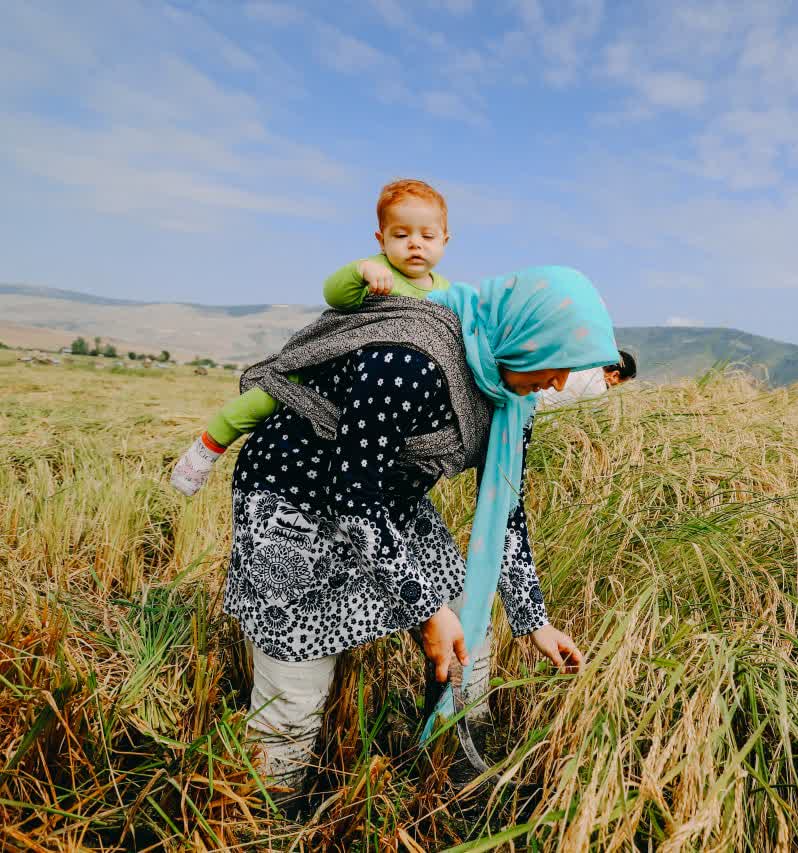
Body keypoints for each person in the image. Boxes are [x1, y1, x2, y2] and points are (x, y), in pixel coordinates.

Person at [220, 266, 619, 792]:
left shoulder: (512, 395)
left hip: (387, 498)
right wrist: (424, 610)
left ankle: (453, 767)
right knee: (298, 676)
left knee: (465, 624)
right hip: (296, 500)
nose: (559, 383)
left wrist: (533, 621)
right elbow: (352, 494)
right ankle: (270, 807)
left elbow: (507, 511)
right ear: (524, 338)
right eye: (556, 364)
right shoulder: (412, 360)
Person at [171, 179, 452, 496]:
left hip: (375, 388)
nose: (415, 244)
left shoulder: (446, 292)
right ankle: (207, 448)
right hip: (329, 366)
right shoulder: (375, 269)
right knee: (269, 397)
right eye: (401, 235)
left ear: (444, 239)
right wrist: (360, 272)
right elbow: (335, 295)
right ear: (381, 240)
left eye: (427, 236)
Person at [537, 349, 637, 409]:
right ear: (614, 375)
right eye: (622, 384)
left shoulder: (582, 362)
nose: (617, 388)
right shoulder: (599, 391)